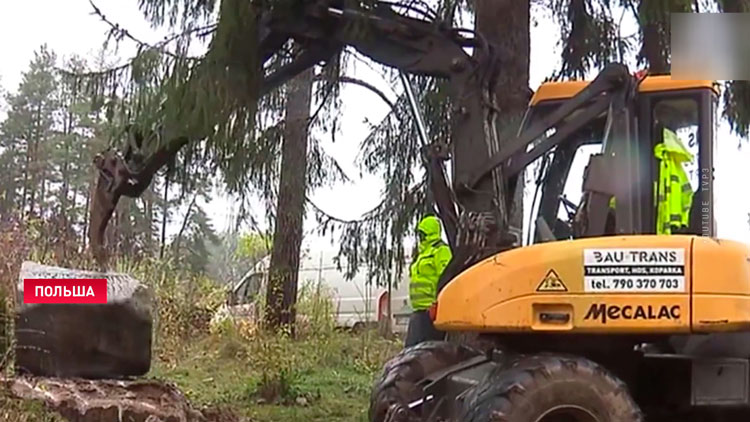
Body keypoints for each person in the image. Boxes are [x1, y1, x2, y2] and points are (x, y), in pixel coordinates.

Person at [404, 215, 452, 348]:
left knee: (426, 350)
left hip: (432, 310)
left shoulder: (441, 251)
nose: (420, 237)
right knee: (412, 350)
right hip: (419, 310)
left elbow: (446, 278)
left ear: (429, 232)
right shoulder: (423, 252)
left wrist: (438, 303)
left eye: (422, 233)